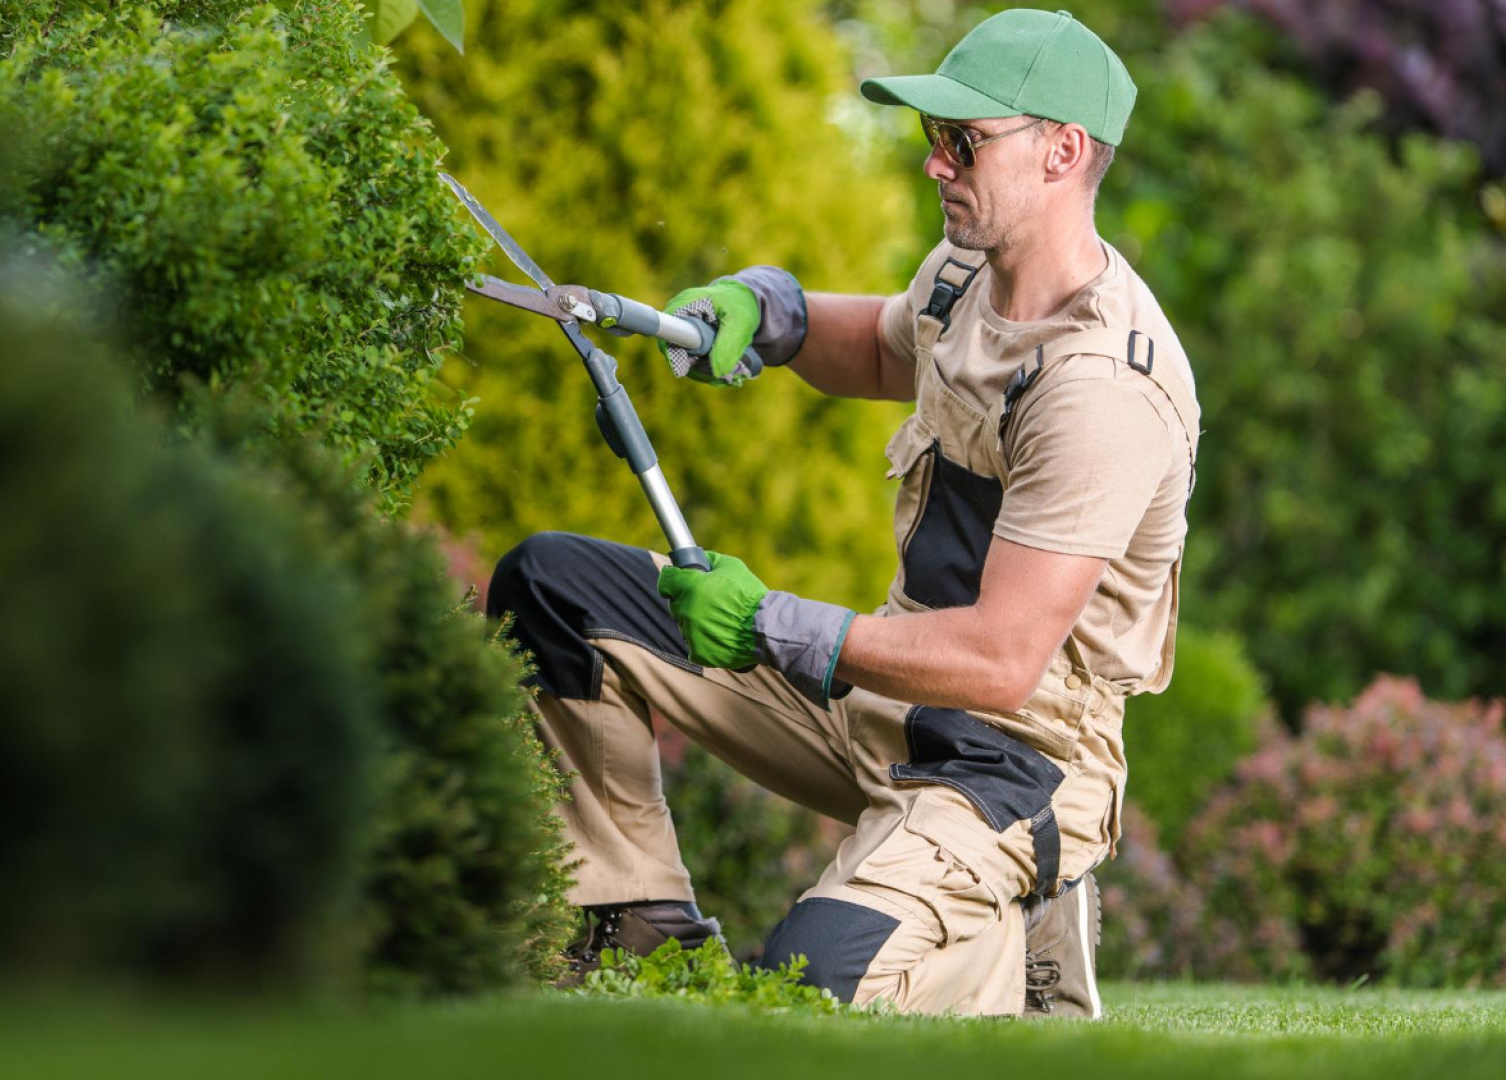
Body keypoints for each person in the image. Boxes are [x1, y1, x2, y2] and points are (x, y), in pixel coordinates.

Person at [488, 8, 1199, 1017]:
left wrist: (771, 623)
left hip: (1011, 765)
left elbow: (1002, 659)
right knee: (555, 589)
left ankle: (1013, 938)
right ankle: (634, 923)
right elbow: (873, 347)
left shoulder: (1101, 389)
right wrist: (766, 309)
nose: (935, 165)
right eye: (930, 139)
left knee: (807, 992)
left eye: (964, 143)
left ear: (1062, 153)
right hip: (881, 705)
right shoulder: (967, 279)